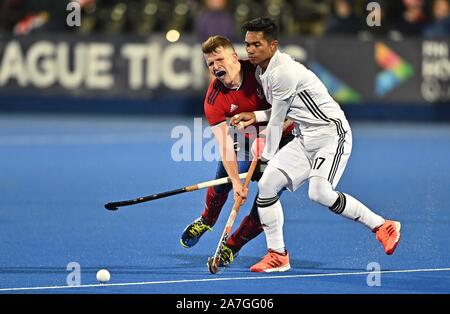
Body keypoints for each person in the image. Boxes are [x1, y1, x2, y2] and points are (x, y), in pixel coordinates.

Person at [233, 17, 401, 273]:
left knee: (320, 192)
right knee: (267, 186)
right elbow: (282, 110)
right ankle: (278, 255)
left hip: (331, 135)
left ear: (273, 45)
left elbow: (277, 122)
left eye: (257, 44)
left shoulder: (283, 72)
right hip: (305, 136)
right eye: (247, 45)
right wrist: (255, 116)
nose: (251, 50)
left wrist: (265, 161)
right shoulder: (262, 71)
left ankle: (382, 225)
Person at [180, 35, 295, 267]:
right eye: (210, 64)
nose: (215, 67)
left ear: (234, 57)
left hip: (284, 144)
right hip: (245, 142)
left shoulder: (261, 73)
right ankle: (207, 219)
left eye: (219, 59)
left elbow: (293, 110)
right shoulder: (214, 98)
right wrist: (235, 182)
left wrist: (270, 134)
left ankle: (231, 247)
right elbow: (224, 144)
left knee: (265, 202)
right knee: (222, 182)